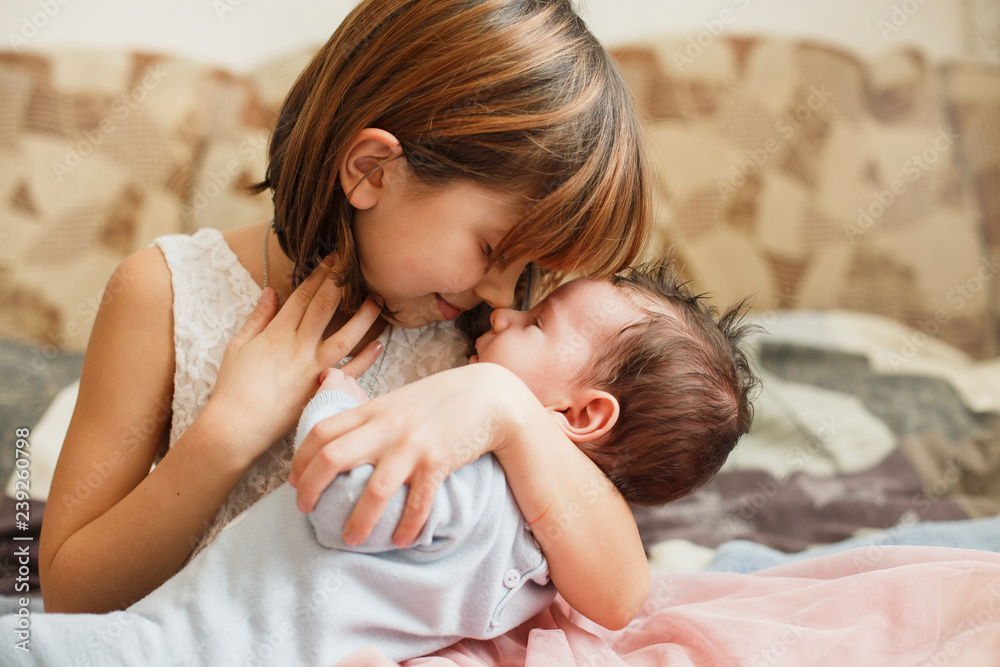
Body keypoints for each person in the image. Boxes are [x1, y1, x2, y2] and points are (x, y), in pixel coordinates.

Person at [37, 0, 652, 631]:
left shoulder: (492, 347)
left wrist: (510, 409)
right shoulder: (161, 294)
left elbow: (619, 593)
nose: (506, 298)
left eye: (529, 272)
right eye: (493, 250)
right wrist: (229, 434)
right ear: (371, 170)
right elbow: (71, 601)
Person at [0, 264, 756, 666]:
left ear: (583, 414)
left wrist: (337, 395)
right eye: (493, 246)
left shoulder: (485, 475)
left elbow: (349, 498)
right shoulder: (543, 531)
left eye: (535, 316)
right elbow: (66, 587)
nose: (500, 304)